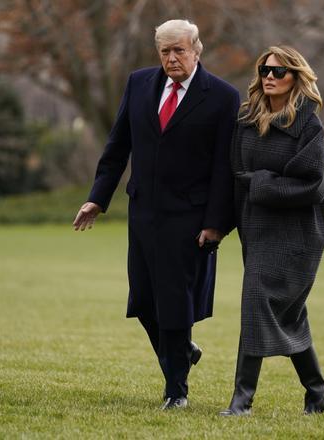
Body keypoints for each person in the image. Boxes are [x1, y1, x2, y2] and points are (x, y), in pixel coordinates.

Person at [72, 19, 240, 410]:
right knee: (144, 300)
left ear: (196, 51)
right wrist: (98, 197)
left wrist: (216, 222)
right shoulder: (138, 84)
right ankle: (182, 349)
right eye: (165, 51)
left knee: (175, 300)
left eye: (179, 50)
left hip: (190, 216)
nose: (172, 58)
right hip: (143, 211)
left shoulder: (221, 97)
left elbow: (224, 167)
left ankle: (176, 391)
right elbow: (118, 147)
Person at [221, 46, 324, 416]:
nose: (270, 76)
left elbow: (314, 186)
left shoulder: (307, 125)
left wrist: (263, 184)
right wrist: (222, 224)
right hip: (256, 230)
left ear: (296, 77)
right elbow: (238, 177)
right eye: (265, 70)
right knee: (288, 314)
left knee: (255, 301)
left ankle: (242, 400)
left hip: (296, 235)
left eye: (279, 71)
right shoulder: (247, 119)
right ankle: (318, 394)